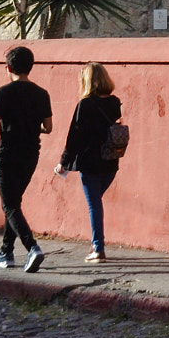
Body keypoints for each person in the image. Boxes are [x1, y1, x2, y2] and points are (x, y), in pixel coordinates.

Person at [0, 45, 52, 271]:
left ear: (8, 68)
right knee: (14, 204)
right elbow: (48, 127)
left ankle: (32, 248)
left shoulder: (4, 92)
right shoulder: (42, 93)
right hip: (30, 155)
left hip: (8, 155)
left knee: (10, 205)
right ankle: (6, 252)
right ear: (31, 67)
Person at [55, 61, 122, 264]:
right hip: (110, 160)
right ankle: (96, 245)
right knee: (96, 202)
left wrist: (63, 162)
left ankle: (98, 248)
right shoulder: (114, 102)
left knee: (94, 205)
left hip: (90, 162)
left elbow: (74, 136)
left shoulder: (85, 105)